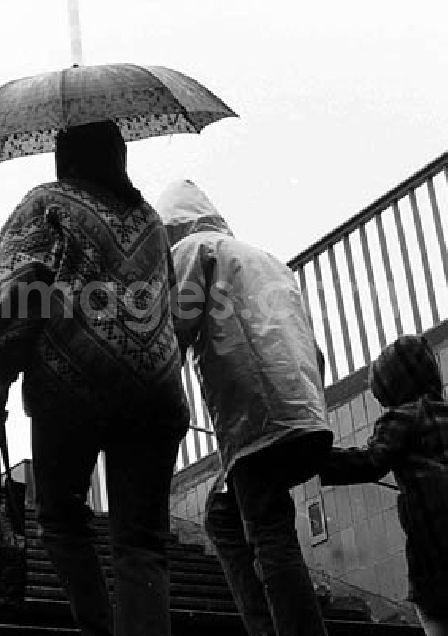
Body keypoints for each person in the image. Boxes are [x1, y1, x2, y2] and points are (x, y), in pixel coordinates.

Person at [0, 121, 190, 636]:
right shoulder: (150, 221)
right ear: (118, 156)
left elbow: (24, 293)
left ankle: (97, 629)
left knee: (62, 517)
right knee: (143, 541)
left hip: (72, 381)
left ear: (63, 156)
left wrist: (0, 377)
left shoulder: (46, 205)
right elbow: (172, 311)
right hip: (156, 390)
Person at [157, 179, 334, 636]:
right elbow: (310, 344)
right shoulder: (265, 259)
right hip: (301, 406)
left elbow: (172, 332)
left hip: (257, 414)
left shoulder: (193, 252)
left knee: (269, 531)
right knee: (223, 514)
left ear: (170, 228)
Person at [320, 335, 448, 635]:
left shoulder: (402, 418)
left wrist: (316, 459)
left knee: (435, 615)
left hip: (435, 545)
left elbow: (371, 461)